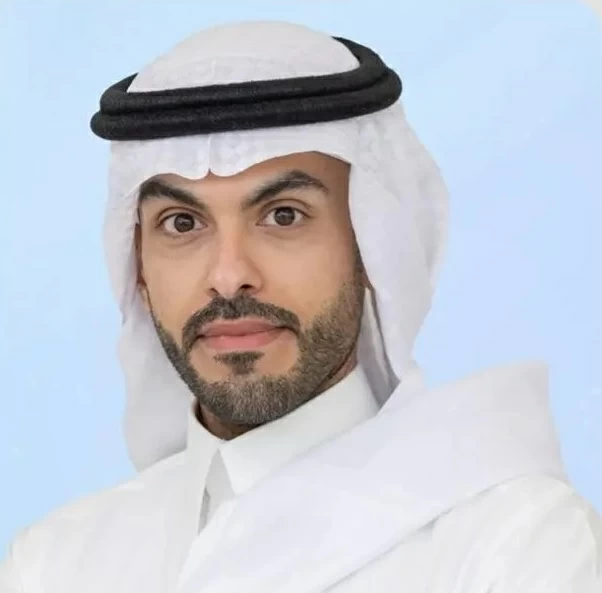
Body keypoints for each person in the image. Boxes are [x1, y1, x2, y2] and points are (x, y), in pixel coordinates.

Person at [1, 20, 600, 593]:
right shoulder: (55, 565)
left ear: (373, 244)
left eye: (283, 216)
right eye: (182, 223)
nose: (229, 277)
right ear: (138, 265)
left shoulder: (512, 544)